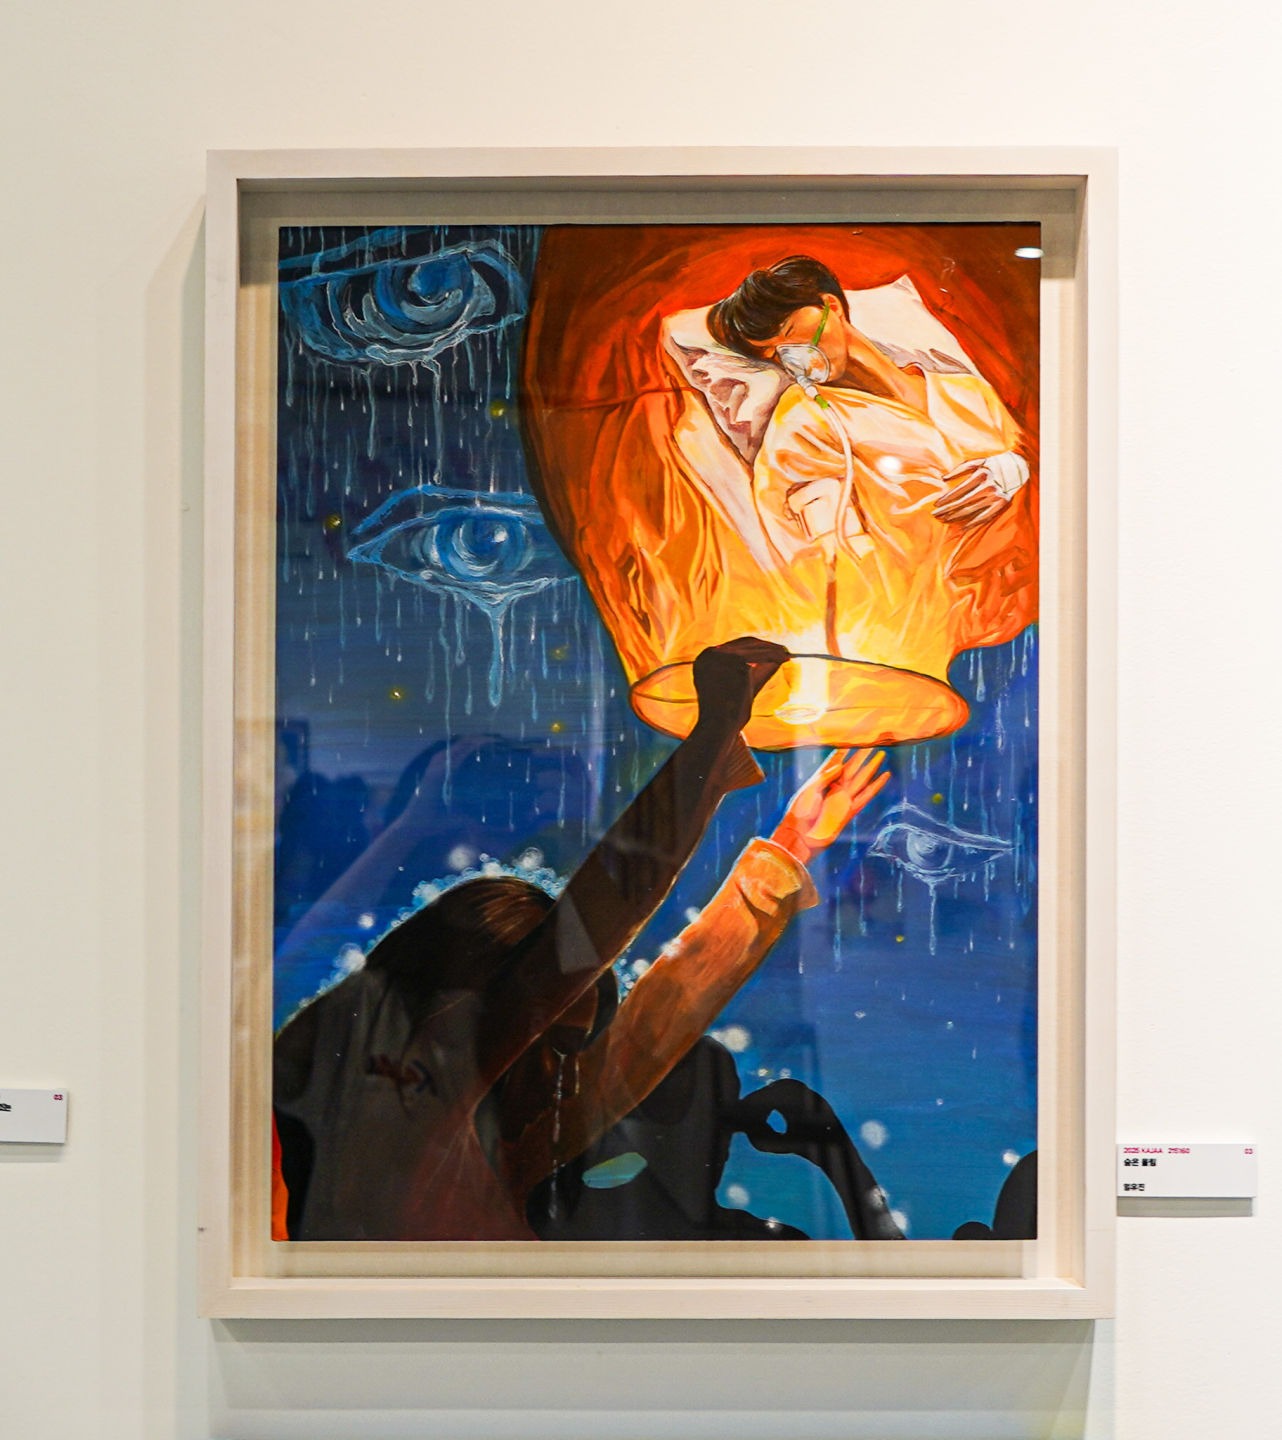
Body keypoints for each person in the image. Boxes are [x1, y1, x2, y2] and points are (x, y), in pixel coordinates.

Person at [272, 637, 890, 1240]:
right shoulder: (408, 1085)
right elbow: (600, 916)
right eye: (546, 1035)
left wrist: (786, 849)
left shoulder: (489, 1119)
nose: (569, 1073)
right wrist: (710, 738)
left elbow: (652, 1024)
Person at [706, 257, 1036, 679]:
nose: (789, 358)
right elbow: (820, 558)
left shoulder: (969, 394)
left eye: (787, 333)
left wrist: (1015, 472)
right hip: (922, 643)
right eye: (770, 354)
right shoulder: (806, 421)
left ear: (831, 307)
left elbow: (1051, 502)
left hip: (1023, 625)